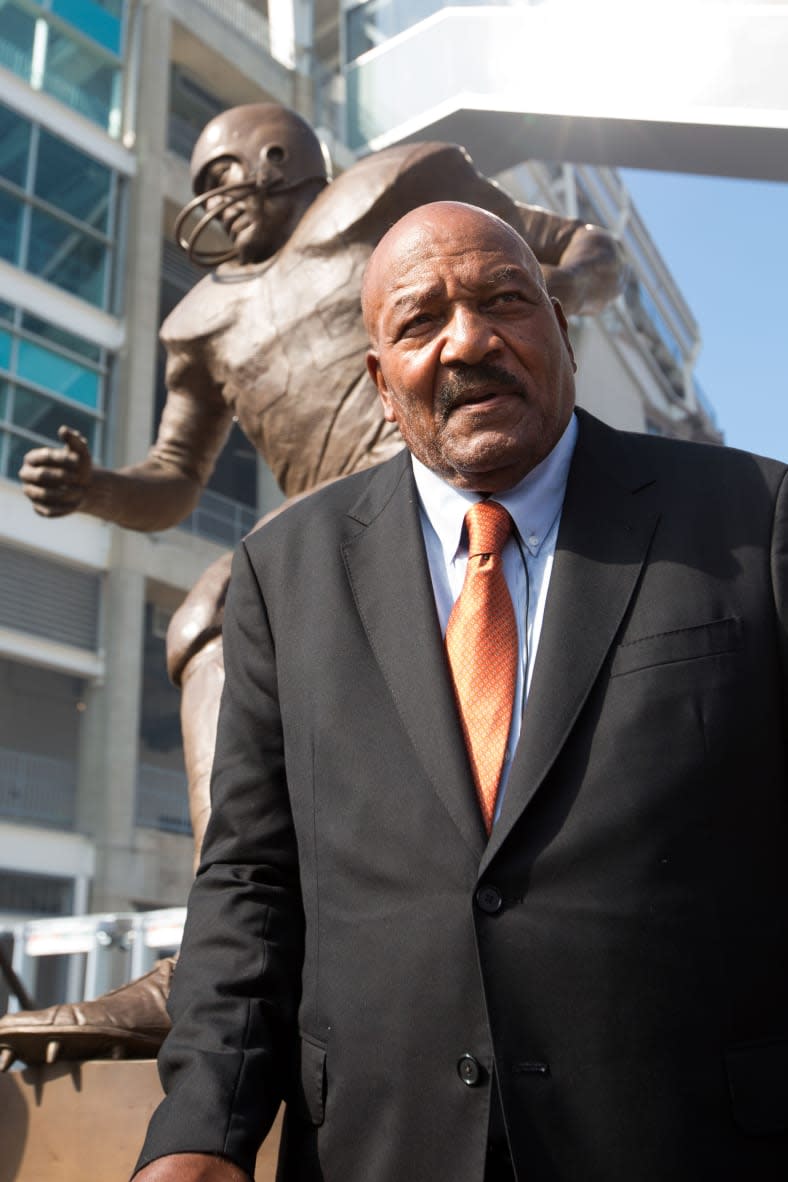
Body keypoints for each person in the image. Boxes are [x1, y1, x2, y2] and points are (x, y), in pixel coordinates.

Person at [131, 202, 788, 1182]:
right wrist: (198, 1133)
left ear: (559, 327)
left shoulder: (751, 519)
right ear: (378, 386)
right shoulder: (282, 573)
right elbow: (249, 884)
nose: (467, 339)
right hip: (379, 1146)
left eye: (501, 300)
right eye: (419, 321)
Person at [0, 105, 622, 1066]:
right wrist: (95, 491)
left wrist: (545, 299)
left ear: (277, 158)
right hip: (326, 537)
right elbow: (174, 478)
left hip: (432, 471)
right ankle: (220, 951)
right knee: (213, 608)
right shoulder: (202, 322)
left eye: (218, 173)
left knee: (228, 596)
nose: (207, 200)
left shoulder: (402, 193)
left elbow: (580, 243)